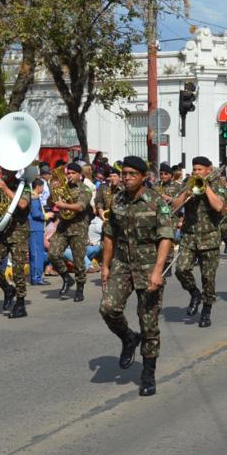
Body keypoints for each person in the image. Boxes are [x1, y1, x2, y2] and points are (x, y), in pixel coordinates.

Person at [99, 156, 173, 396]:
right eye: (124, 174)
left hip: (148, 266)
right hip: (122, 264)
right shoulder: (117, 200)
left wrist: (158, 271)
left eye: (132, 174)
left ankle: (148, 374)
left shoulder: (156, 202)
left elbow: (165, 238)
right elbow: (110, 234)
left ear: (144, 177)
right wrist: (105, 265)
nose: (127, 178)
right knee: (108, 308)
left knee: (148, 321)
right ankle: (129, 338)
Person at [170, 156, 226, 327]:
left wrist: (206, 188)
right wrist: (187, 193)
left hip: (209, 238)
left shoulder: (217, 184)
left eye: (199, 169)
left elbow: (219, 207)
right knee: (181, 269)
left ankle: (206, 311)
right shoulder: (188, 183)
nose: (196, 172)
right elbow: (174, 206)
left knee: (208, 278)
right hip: (189, 235)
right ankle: (195, 293)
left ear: (208, 170)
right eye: (194, 169)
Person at [0, 172, 31, 316]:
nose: (4, 173)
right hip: (3, 231)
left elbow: (22, 204)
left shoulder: (24, 186)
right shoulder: (0, 185)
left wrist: (6, 189)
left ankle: (20, 303)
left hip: (18, 232)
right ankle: (7, 288)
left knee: (18, 269)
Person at [48, 162, 94, 303]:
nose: (69, 176)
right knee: (53, 253)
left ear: (80, 175)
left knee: (79, 261)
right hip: (63, 226)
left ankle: (80, 288)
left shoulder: (85, 189)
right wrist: (53, 194)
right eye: (68, 173)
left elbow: (80, 207)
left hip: (78, 228)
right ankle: (67, 278)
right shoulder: (63, 187)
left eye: (73, 173)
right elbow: (51, 204)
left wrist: (64, 205)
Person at [28, 179, 49, 286]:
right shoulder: (34, 197)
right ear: (39, 187)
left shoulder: (34, 196)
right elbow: (36, 213)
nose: (43, 189)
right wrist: (45, 216)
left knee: (35, 253)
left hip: (35, 228)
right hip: (35, 227)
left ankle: (35, 276)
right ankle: (37, 277)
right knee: (37, 253)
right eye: (42, 187)